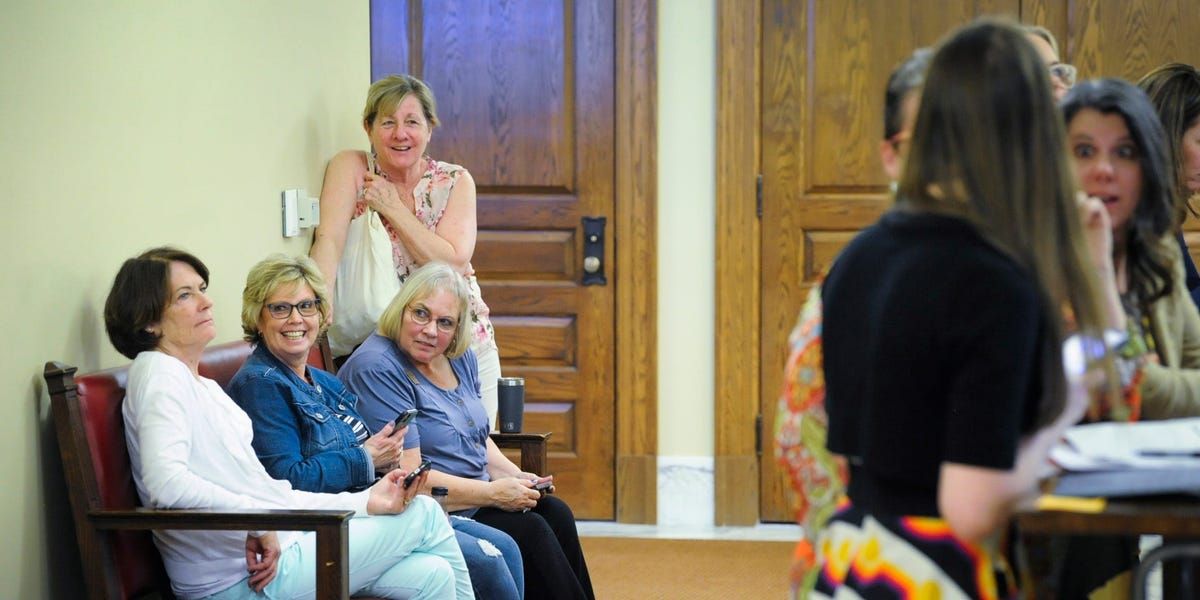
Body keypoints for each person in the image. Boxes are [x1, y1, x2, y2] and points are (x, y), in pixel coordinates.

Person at [813, 19, 1116, 599]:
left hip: (852, 559)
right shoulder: (994, 282)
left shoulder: (859, 256)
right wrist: (1060, 419)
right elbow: (971, 507)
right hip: (933, 571)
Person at [104, 247, 473, 600]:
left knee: (432, 575)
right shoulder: (157, 374)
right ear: (147, 321)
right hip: (238, 578)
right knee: (425, 513)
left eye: (202, 289)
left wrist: (366, 500)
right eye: (185, 295)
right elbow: (164, 487)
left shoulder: (201, 386)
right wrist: (259, 523)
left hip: (282, 550)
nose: (206, 301)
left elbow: (269, 491)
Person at [226, 254, 524, 600]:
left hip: (371, 507)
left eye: (307, 306)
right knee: (487, 557)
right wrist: (366, 458)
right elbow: (285, 477)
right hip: (324, 528)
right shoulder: (260, 385)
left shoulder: (324, 383)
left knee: (500, 547)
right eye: (280, 308)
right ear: (257, 317)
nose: (296, 319)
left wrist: (385, 457)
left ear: (321, 314)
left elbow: (365, 459)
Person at [338, 261, 595, 600]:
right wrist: (494, 493)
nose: (431, 330)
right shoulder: (377, 367)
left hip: (476, 493)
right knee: (530, 530)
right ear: (401, 309)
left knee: (554, 510)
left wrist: (519, 478)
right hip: (436, 507)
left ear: (457, 328)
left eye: (445, 322)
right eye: (420, 314)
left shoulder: (458, 356)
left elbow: (477, 437)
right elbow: (411, 478)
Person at [775, 45, 930, 598]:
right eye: (924, 143)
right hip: (878, 545)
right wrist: (844, 542)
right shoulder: (859, 269)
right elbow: (799, 430)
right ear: (891, 154)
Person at [1057, 78, 1200, 597]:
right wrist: (1095, 272)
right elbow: (1113, 387)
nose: (1104, 169)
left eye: (1124, 151)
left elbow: (1186, 370)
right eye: (1083, 151)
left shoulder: (1155, 251)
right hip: (1045, 512)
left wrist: (1150, 387)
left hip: (1137, 490)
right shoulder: (1025, 259)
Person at [309, 74, 503, 425]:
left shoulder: (454, 181)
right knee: (415, 448)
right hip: (387, 346)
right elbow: (329, 240)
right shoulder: (352, 169)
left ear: (430, 128)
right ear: (368, 129)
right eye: (388, 122)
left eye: (412, 122)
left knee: (478, 437)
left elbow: (452, 261)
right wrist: (316, 303)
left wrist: (391, 208)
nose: (401, 134)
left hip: (457, 335)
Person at [1138, 63, 1200, 306]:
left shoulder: (1166, 204)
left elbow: (1189, 287)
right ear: (1165, 138)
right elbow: (1168, 312)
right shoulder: (1132, 214)